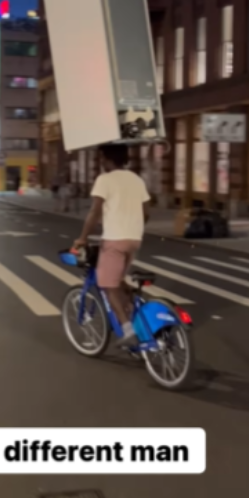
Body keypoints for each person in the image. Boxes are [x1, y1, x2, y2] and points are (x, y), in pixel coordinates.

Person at [73, 144, 151, 346]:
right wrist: (132, 225)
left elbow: (94, 212)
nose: (100, 162)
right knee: (117, 280)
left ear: (108, 159)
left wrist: (82, 237)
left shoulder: (104, 180)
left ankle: (127, 330)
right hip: (134, 239)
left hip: (115, 240)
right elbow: (147, 213)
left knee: (107, 285)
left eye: (101, 158)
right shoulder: (136, 179)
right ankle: (130, 310)